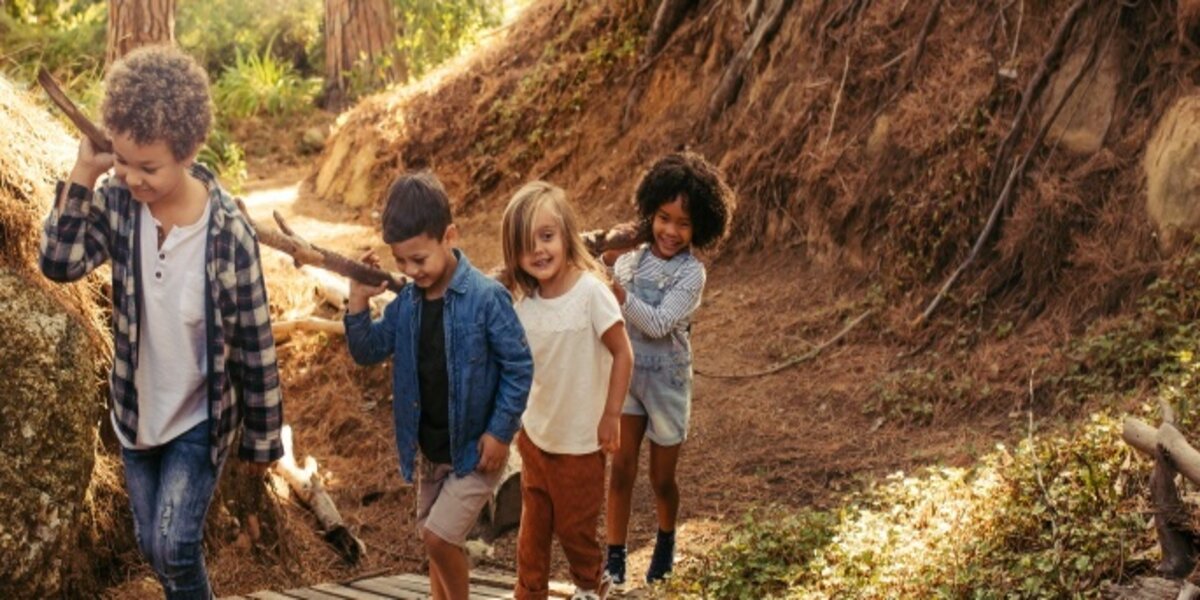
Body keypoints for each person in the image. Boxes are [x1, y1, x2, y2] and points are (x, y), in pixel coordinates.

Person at [39, 45, 283, 599]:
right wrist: (85, 171)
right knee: (153, 546)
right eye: (123, 161)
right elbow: (58, 262)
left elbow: (254, 342)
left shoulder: (227, 234)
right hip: (136, 411)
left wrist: (263, 441)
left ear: (189, 151)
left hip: (200, 418)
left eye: (148, 167)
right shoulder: (119, 206)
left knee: (173, 545)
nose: (132, 178)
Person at [344, 172, 532, 600]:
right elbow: (368, 349)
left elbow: (518, 366)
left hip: (474, 451)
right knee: (435, 543)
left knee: (438, 538)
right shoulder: (407, 305)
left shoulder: (486, 299)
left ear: (450, 236)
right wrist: (358, 300)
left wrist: (500, 432)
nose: (411, 272)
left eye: (420, 259)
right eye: (401, 262)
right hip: (430, 454)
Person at [603, 151, 735, 588]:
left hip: (668, 382)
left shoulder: (691, 274)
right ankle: (615, 554)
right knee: (620, 470)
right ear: (650, 213)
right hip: (628, 376)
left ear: (701, 228)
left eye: (684, 223)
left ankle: (665, 538)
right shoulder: (630, 259)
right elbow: (608, 291)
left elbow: (659, 323)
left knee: (662, 479)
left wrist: (619, 293)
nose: (671, 231)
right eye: (663, 218)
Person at [501, 181, 635, 600]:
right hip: (537, 439)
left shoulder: (591, 293)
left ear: (566, 235)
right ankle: (530, 591)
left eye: (547, 237)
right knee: (532, 532)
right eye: (527, 244)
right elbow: (520, 371)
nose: (539, 251)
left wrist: (612, 414)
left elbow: (623, 353)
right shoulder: (525, 307)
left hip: (580, 443)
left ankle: (589, 585)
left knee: (575, 531)